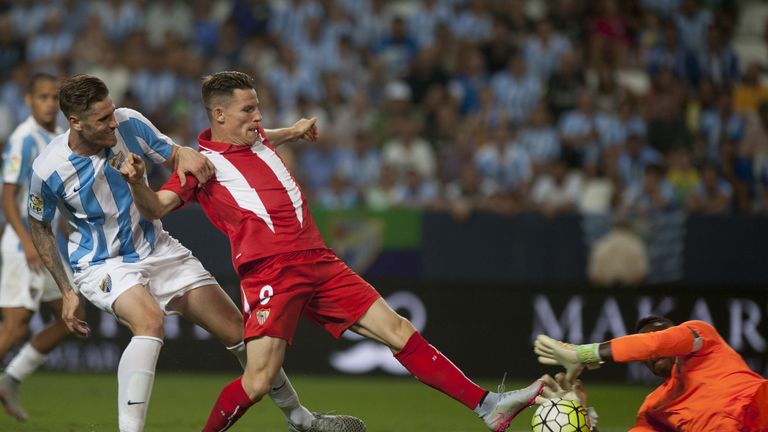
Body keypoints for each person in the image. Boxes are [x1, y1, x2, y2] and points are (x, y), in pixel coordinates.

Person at [119, 70, 544, 432]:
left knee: (398, 330)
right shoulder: (200, 164)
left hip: (320, 260)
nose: (258, 116)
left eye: (258, 107)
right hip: (271, 272)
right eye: (248, 110)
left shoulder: (259, 139)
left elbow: (270, 134)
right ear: (219, 114)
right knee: (258, 380)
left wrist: (296, 131)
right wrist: (139, 182)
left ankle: (488, 407)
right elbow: (157, 207)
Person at [27, 74, 363, 432]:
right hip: (100, 264)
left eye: (112, 112)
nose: (113, 122)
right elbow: (40, 225)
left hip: (158, 249)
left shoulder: (129, 122)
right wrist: (66, 290)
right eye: (103, 119)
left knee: (239, 332)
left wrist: (186, 151)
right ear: (75, 122)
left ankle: (301, 420)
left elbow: (186, 157)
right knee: (149, 321)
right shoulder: (48, 170)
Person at [0, 72, 84, 422]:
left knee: (72, 318)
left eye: (55, 97)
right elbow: (8, 196)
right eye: (44, 97)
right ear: (29, 101)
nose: (50, 103)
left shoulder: (56, 138)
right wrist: (26, 242)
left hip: (47, 244)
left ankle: (10, 379)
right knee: (18, 323)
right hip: (25, 247)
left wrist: (63, 225)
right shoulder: (24, 138)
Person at [534, 316, 768, 431]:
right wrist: (582, 421)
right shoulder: (653, 408)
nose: (652, 353)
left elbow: (658, 343)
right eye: (642, 351)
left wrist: (584, 354)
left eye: (653, 336)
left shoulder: (704, 341)